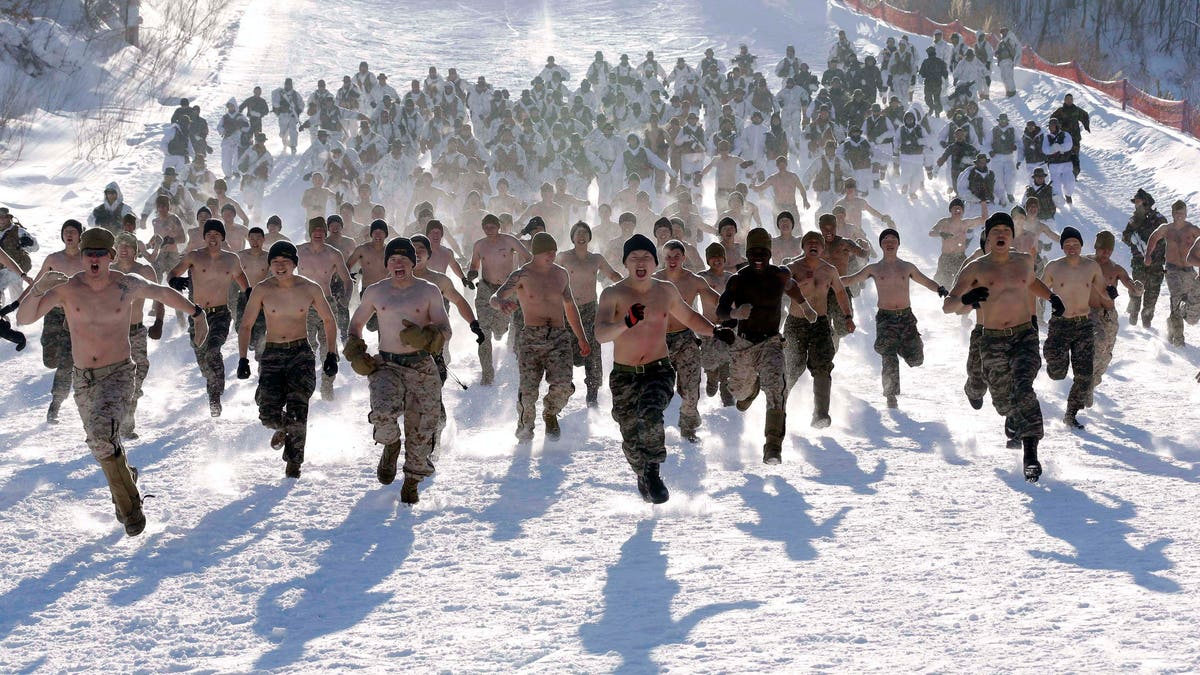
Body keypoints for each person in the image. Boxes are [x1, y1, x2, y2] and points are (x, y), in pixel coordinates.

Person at [16, 227, 207, 536]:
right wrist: (38, 288)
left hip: (118, 373)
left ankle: (131, 514)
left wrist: (197, 313)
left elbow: (161, 292)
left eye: (100, 254)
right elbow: (24, 319)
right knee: (101, 445)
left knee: (103, 440)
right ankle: (126, 476)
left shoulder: (126, 285)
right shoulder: (68, 289)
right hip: (83, 380)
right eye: (88, 254)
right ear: (81, 257)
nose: (93, 259)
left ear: (111, 257)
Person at [596, 235, 733, 502]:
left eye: (646, 257)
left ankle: (653, 471)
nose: (640, 262)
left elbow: (689, 316)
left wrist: (714, 330)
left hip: (658, 369)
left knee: (650, 414)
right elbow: (601, 334)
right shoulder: (613, 294)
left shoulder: (665, 291)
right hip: (624, 375)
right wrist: (626, 321)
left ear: (654, 262)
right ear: (625, 262)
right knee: (630, 434)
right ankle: (642, 471)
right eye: (634, 257)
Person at [943, 213, 1062, 482]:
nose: (1000, 235)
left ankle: (1030, 454)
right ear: (988, 235)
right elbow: (948, 305)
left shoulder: (1024, 261)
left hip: (1024, 336)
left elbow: (1032, 283)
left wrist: (1053, 298)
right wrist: (968, 297)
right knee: (1004, 403)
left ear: (1011, 235)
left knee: (1024, 386)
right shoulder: (975, 268)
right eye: (995, 230)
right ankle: (1003, 410)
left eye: (1005, 231)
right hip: (992, 339)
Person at [344, 237, 449, 504]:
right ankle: (391, 445)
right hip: (387, 365)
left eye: (403, 259)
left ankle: (412, 481)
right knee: (382, 413)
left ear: (413, 263)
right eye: (392, 259)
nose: (397, 263)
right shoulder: (376, 292)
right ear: (386, 264)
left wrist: (426, 338)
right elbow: (355, 325)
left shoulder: (428, 291)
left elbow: (445, 330)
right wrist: (356, 351)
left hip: (422, 367)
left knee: (422, 429)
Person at [236, 240, 337, 478]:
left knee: (298, 407)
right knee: (268, 413)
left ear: (294, 264)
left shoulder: (310, 288)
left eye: (285, 262)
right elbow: (246, 324)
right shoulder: (262, 289)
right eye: (275, 262)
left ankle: (294, 463)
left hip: (300, 353)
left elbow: (329, 321)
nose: (280, 266)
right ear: (270, 265)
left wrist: (331, 353)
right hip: (272, 354)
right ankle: (283, 427)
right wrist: (243, 359)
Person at [489, 232, 591, 441]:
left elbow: (570, 307)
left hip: (558, 337)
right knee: (528, 392)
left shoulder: (561, 274)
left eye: (554, 251)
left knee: (563, 384)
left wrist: (581, 337)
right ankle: (526, 425)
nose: (552, 255)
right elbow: (495, 296)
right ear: (536, 253)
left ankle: (550, 412)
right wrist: (501, 304)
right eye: (547, 252)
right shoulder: (522, 275)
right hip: (531, 338)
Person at [841, 228, 946, 408]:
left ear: (898, 244)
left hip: (906, 317)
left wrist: (940, 289)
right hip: (886, 318)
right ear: (881, 245)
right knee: (888, 356)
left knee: (916, 360)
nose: (889, 242)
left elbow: (926, 280)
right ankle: (891, 395)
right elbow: (851, 279)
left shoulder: (907, 267)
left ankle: (903, 347)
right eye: (886, 240)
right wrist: (829, 278)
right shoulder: (874, 268)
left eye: (893, 240)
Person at [168, 218, 250, 416]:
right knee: (204, 360)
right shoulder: (194, 257)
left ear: (222, 237)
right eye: (209, 235)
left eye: (216, 235)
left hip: (221, 314)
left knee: (213, 351)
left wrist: (251, 297)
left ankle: (215, 397)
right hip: (197, 315)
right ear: (204, 237)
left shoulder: (231, 259)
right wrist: (175, 282)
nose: (213, 238)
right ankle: (214, 382)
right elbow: (172, 273)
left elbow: (243, 283)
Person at [1040, 227, 1113, 428]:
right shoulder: (1053, 267)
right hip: (1060, 324)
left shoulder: (1091, 267)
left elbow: (1102, 290)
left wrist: (1110, 293)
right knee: (1057, 372)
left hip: (1083, 325)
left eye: (1076, 244)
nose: (1072, 247)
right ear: (1062, 246)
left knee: (1084, 375)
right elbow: (1039, 289)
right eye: (1067, 244)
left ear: (1081, 246)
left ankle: (1071, 414)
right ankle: (1052, 357)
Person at [652, 240, 720, 442]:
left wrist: (734, 310)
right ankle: (652, 428)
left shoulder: (694, 280)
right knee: (656, 389)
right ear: (663, 259)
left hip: (685, 338)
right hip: (658, 341)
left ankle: (688, 425)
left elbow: (716, 299)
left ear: (683, 258)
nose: (672, 261)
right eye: (668, 257)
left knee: (690, 387)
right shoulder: (654, 280)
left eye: (676, 256)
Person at [783, 230, 852, 428]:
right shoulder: (793, 267)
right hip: (796, 324)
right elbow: (780, 283)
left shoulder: (829, 270)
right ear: (803, 247)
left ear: (822, 248)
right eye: (809, 242)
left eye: (817, 243)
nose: (813, 245)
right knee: (792, 367)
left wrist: (847, 316)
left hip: (820, 324)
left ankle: (821, 414)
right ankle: (778, 409)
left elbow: (840, 293)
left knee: (822, 366)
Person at [557, 222, 621, 406]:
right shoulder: (564, 258)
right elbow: (549, 274)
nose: (581, 236)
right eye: (578, 233)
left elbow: (613, 275)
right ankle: (564, 386)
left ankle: (592, 391)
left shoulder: (596, 259)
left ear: (589, 237)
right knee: (565, 348)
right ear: (572, 237)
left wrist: (630, 288)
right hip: (567, 309)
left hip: (591, 310)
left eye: (585, 233)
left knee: (593, 349)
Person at [28, 220, 85, 422]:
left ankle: (55, 404)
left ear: (80, 235)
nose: (69, 235)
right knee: (50, 359)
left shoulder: (87, 259)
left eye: (73, 232)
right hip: (53, 313)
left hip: (76, 315)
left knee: (66, 362)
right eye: (66, 232)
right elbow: (37, 284)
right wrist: (20, 304)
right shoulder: (53, 258)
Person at [466, 213, 531, 384]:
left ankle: (499, 330)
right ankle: (487, 373)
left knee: (500, 330)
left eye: (492, 226)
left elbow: (528, 256)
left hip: (506, 291)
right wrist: (471, 274)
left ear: (498, 227)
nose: (489, 230)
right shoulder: (479, 245)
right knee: (483, 332)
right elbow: (474, 265)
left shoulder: (509, 241)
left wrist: (523, 277)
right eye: (486, 227)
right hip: (486, 289)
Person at [112, 233, 164, 439]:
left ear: (135, 250)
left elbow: (160, 296)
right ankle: (112, 421)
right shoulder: (109, 271)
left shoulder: (144, 271)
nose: (124, 250)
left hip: (135, 331)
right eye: (120, 246)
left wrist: (159, 322)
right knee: (113, 376)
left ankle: (128, 418)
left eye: (128, 246)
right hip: (112, 332)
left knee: (138, 371)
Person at [297, 217, 352, 398]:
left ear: (325, 233)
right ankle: (306, 384)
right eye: (315, 231)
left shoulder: (333, 254)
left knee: (329, 346)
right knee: (305, 346)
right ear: (310, 232)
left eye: (322, 231)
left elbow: (347, 280)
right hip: (303, 305)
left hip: (327, 302)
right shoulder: (298, 252)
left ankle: (327, 386)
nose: (319, 234)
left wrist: (345, 298)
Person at [1087, 231, 1143, 403]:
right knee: (1099, 343)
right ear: (1096, 247)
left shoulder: (1115, 269)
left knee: (1106, 354)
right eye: (1102, 249)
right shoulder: (1085, 263)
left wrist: (1137, 289)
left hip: (1110, 316)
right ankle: (1085, 386)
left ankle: (1091, 383)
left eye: (1109, 250)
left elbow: (1130, 284)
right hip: (1090, 313)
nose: (1105, 253)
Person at [1143, 200, 1200, 347]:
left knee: (1189, 300)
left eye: (1182, 213)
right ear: (1173, 214)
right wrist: (1148, 254)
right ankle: (1178, 338)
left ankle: (1172, 321)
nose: (1179, 216)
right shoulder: (1166, 229)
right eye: (1176, 213)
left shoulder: (1193, 230)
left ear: (1186, 213)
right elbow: (1153, 238)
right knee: (1176, 297)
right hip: (1171, 269)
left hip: (1188, 270)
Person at [1122, 188, 1167, 327]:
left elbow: (1167, 238)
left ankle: (1146, 323)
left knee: (1152, 296)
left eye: (1138, 201)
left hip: (1156, 264)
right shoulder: (1134, 220)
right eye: (1135, 202)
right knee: (1136, 291)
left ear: (1146, 202)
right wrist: (1132, 238)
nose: (1136, 205)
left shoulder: (1159, 219)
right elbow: (1125, 236)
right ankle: (1132, 320)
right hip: (1139, 263)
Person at [929, 198, 988, 286]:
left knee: (963, 283)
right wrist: (941, 233)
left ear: (962, 211)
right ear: (950, 210)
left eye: (959, 208)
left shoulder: (965, 223)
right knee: (942, 283)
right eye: (955, 208)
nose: (957, 210)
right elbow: (931, 232)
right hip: (946, 258)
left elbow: (984, 219)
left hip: (960, 258)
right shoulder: (944, 222)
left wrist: (983, 202)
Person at [236, 227, 270, 353]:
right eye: (252, 239)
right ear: (248, 239)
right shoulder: (240, 256)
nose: (255, 242)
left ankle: (260, 355)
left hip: (261, 298)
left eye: (258, 238)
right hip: (244, 296)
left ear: (263, 240)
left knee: (260, 329)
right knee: (240, 326)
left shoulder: (268, 258)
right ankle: (249, 343)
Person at [1050, 94, 1090, 178]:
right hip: (1064, 138)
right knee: (1064, 156)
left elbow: (1085, 115)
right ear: (1064, 100)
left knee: (1074, 156)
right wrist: (1060, 124)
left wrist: (1086, 125)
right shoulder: (1060, 111)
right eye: (1067, 99)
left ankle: (1074, 175)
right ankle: (1063, 174)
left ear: (1072, 100)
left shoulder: (1076, 110)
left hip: (1075, 138)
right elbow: (1052, 120)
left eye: (1071, 99)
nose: (1069, 101)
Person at [1041, 118, 1075, 205]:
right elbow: (1045, 149)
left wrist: (1059, 147)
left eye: (1052, 126)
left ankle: (1068, 195)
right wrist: (1052, 149)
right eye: (1050, 126)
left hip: (1066, 163)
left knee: (1070, 182)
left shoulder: (1065, 135)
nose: (1051, 128)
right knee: (1056, 187)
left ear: (1057, 126)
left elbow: (1069, 145)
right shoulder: (1047, 137)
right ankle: (1061, 205)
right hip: (1053, 165)